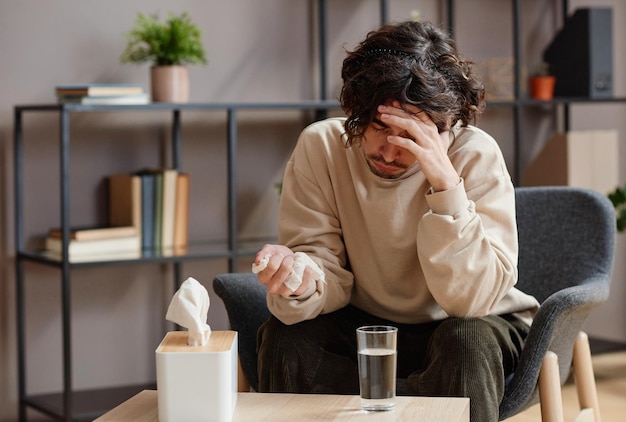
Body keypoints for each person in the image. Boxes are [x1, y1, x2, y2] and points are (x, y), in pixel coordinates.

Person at [253, 20, 539, 421]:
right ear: (356, 111)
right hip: (362, 318)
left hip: (473, 320)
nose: (390, 151)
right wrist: (299, 281)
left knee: (465, 341)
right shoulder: (321, 147)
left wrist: (445, 184)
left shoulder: (476, 155)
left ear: (445, 126)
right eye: (378, 126)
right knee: (287, 336)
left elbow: (471, 301)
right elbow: (322, 264)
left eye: (412, 135)